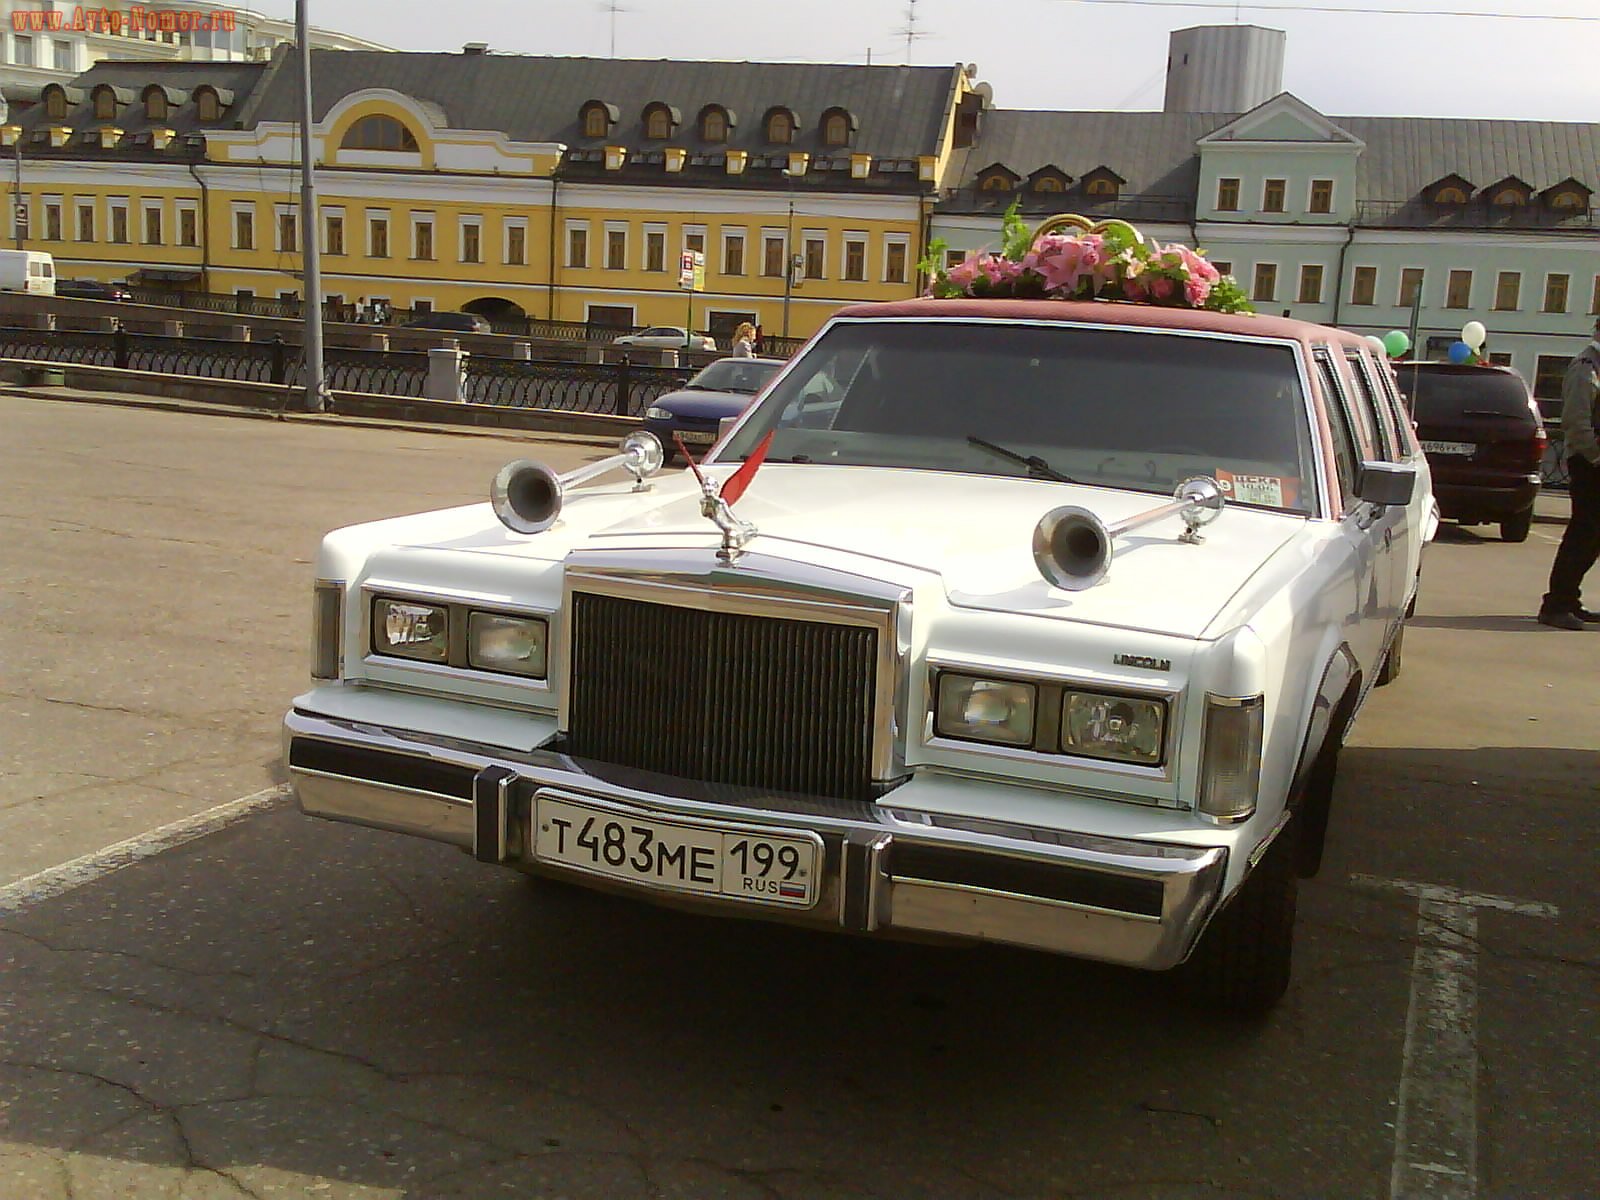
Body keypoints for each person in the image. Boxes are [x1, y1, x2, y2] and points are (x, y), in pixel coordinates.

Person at [1537, 316, 1600, 630]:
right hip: (1590, 465)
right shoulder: (1586, 367)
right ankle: (1556, 605)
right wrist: (1597, 458)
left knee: (1590, 537)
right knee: (1583, 535)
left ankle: (1569, 600)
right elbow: (1577, 424)